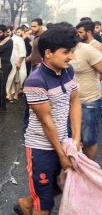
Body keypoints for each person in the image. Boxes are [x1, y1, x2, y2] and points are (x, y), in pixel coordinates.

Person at [15, 22, 81, 215]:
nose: (72, 56)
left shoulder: (68, 70)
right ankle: (31, 204)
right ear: (49, 53)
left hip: (64, 140)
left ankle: (25, 204)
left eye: (72, 51)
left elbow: (75, 102)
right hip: (40, 147)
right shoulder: (35, 81)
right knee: (44, 202)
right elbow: (46, 122)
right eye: (67, 52)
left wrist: (75, 140)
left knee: (60, 185)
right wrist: (61, 154)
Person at [72, 21, 102, 160]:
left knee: (88, 140)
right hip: (70, 103)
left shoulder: (90, 49)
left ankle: (89, 170)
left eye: (80, 32)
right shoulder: (65, 50)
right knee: (73, 139)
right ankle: (78, 168)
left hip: (89, 101)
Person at [0, 24, 13, 112]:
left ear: (5, 32)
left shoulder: (8, 40)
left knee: (2, 86)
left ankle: (2, 107)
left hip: (4, 66)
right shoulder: (1, 39)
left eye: (0, 33)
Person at [6, 27, 26, 102]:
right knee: (9, 80)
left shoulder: (18, 39)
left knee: (17, 81)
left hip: (16, 64)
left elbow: (23, 53)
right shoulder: (6, 40)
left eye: (8, 32)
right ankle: (9, 95)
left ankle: (16, 96)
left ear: (12, 31)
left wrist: (19, 63)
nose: (7, 33)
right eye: (6, 32)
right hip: (8, 64)